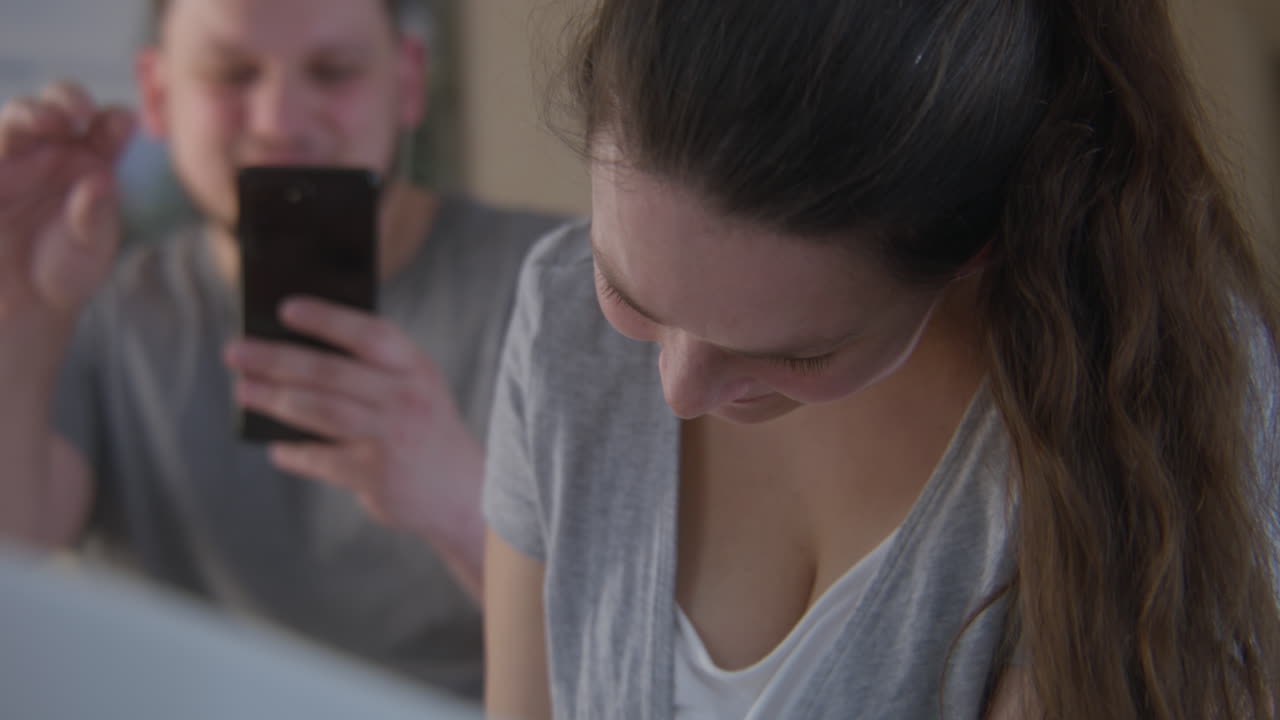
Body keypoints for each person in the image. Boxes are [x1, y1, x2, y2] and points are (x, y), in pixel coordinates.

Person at [481, 0, 1280, 718]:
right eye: (631, 294)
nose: (681, 389)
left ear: (974, 246)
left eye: (795, 353)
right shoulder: (558, 319)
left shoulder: (1143, 412)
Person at [0, 0, 566, 700]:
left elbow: (648, 655)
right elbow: (13, 565)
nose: (280, 123)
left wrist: (459, 503)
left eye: (333, 72)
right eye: (231, 74)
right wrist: (19, 313)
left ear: (410, 81)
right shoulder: (92, 310)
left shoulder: (565, 292)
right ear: (156, 93)